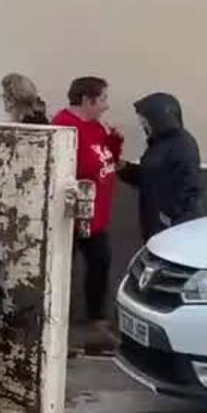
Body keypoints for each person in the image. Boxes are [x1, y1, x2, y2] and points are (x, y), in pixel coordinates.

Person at [52, 76, 122, 350]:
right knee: (65, 270)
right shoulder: (64, 127)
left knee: (100, 265)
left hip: (96, 217)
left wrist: (114, 142)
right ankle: (59, 330)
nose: (106, 105)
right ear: (86, 100)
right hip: (73, 217)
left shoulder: (95, 127)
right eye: (102, 99)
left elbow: (106, 160)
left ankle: (97, 326)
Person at [122, 92, 204, 240]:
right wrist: (124, 169)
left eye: (145, 120)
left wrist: (170, 219)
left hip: (173, 224)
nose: (144, 125)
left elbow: (188, 188)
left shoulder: (180, 146)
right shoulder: (161, 143)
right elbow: (150, 177)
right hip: (159, 220)